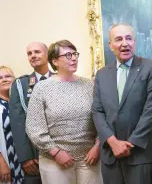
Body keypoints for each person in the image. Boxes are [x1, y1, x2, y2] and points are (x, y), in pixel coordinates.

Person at [92, 23, 152, 184]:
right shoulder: (102, 74)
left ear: (134, 42)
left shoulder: (150, 68)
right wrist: (112, 141)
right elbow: (97, 111)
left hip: (141, 155)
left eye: (129, 38)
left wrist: (131, 143)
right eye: (118, 39)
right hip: (111, 157)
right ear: (110, 45)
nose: (125, 43)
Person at [25, 40, 101, 184]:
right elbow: (34, 127)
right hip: (55, 162)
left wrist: (98, 145)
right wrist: (56, 152)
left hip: (89, 160)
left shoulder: (90, 85)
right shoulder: (42, 88)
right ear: (55, 61)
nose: (74, 58)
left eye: (75, 54)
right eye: (68, 55)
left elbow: (101, 117)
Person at [9, 42, 53, 184]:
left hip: (62, 151)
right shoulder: (20, 85)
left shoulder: (61, 79)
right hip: (34, 155)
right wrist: (25, 157)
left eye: (37, 52)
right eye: (29, 53)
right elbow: (18, 123)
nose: (33, 56)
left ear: (47, 54)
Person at [0, 66, 24, 184]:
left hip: (22, 161)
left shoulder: (19, 103)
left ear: (14, 79)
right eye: (0, 78)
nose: (4, 79)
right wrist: (1, 163)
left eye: (7, 76)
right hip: (5, 160)